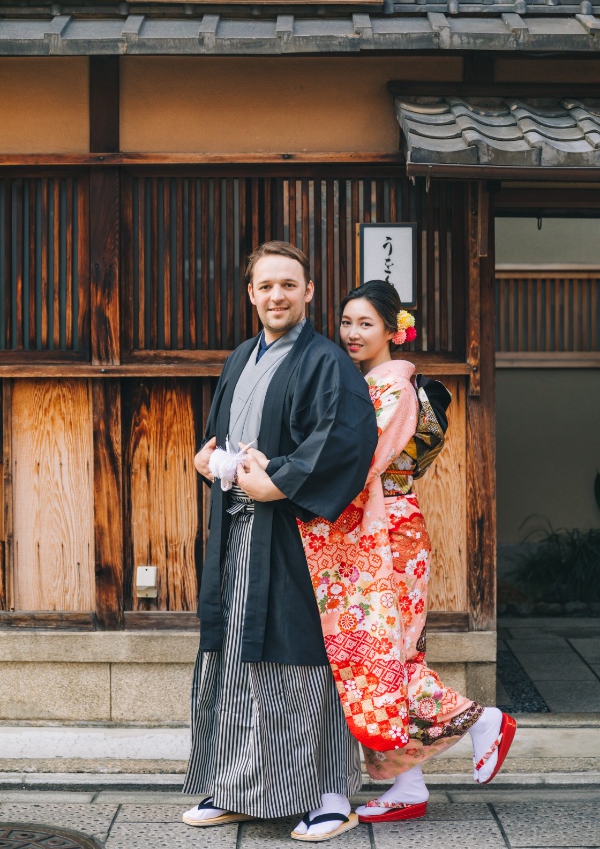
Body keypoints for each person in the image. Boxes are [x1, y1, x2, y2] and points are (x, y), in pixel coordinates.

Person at [299, 280, 516, 824]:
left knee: (384, 655)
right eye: (346, 322)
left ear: (394, 330)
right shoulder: (370, 383)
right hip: (380, 523)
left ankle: (481, 721)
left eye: (365, 323)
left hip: (388, 529)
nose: (351, 332)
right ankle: (407, 783)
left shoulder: (393, 387)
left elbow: (359, 463)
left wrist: (290, 483)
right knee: (381, 656)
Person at [182, 242, 378, 841]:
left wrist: (281, 481)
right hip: (240, 529)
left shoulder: (326, 360)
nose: (277, 296)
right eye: (265, 286)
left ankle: (327, 795)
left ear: (309, 291)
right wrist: (208, 457)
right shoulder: (242, 356)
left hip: (297, 535)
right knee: (238, 652)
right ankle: (240, 786)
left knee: (300, 658)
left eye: (289, 285)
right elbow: (226, 436)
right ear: (250, 294)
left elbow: (346, 438)